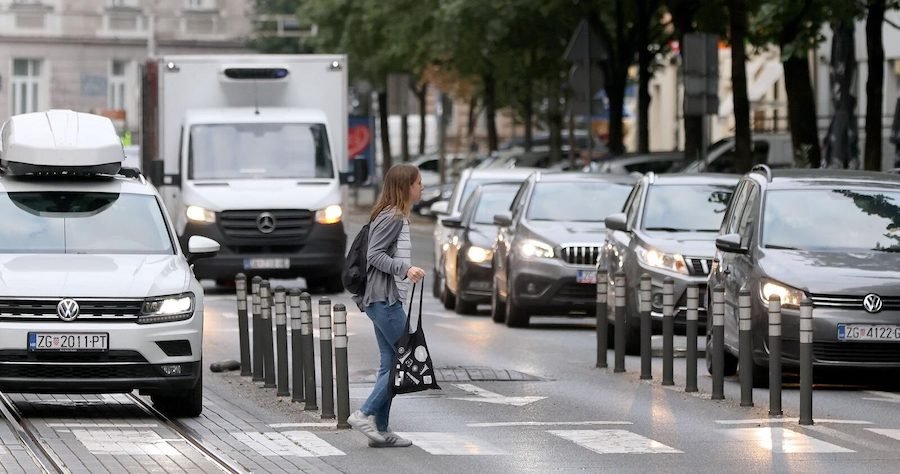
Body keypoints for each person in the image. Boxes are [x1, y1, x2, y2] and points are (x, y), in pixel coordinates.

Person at [348, 163, 426, 448]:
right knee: (406, 360)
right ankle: (364, 414)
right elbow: (375, 255)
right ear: (406, 186)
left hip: (383, 299)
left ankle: (381, 430)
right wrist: (405, 269)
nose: (422, 188)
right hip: (384, 299)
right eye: (419, 183)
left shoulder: (395, 215)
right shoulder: (392, 216)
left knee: (390, 364)